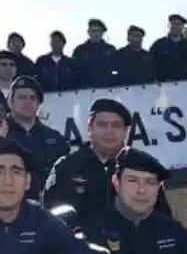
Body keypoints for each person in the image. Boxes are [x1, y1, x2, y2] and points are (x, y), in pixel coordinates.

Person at [43, 99, 172, 233]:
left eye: (116, 125)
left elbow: (162, 219)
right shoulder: (66, 167)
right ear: (89, 129)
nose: (109, 131)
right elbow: (49, 218)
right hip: (81, 249)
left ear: (126, 131)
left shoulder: (143, 168)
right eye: (102, 125)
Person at [5, 75, 69, 179]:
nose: (28, 102)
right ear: (10, 102)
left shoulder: (56, 139)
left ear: (39, 104)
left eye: (33, 98)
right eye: (22, 97)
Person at [149, 14, 187, 83]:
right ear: (169, 25)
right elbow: (150, 66)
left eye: (179, 24)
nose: (177, 27)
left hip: (185, 86)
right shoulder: (158, 45)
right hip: (163, 86)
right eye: (174, 24)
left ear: (183, 27)